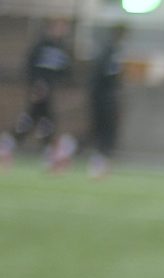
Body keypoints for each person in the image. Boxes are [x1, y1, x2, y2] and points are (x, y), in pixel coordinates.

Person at [4, 18, 74, 169]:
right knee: (39, 120)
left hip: (50, 91)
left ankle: (11, 145)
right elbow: (30, 66)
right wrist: (35, 85)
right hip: (38, 89)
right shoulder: (40, 46)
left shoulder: (63, 48)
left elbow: (66, 71)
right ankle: (10, 146)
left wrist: (58, 86)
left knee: (39, 120)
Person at [85, 25, 125, 179]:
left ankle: (102, 163)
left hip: (106, 98)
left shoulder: (112, 53)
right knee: (103, 132)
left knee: (104, 133)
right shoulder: (109, 53)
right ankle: (98, 164)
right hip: (104, 99)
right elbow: (104, 77)